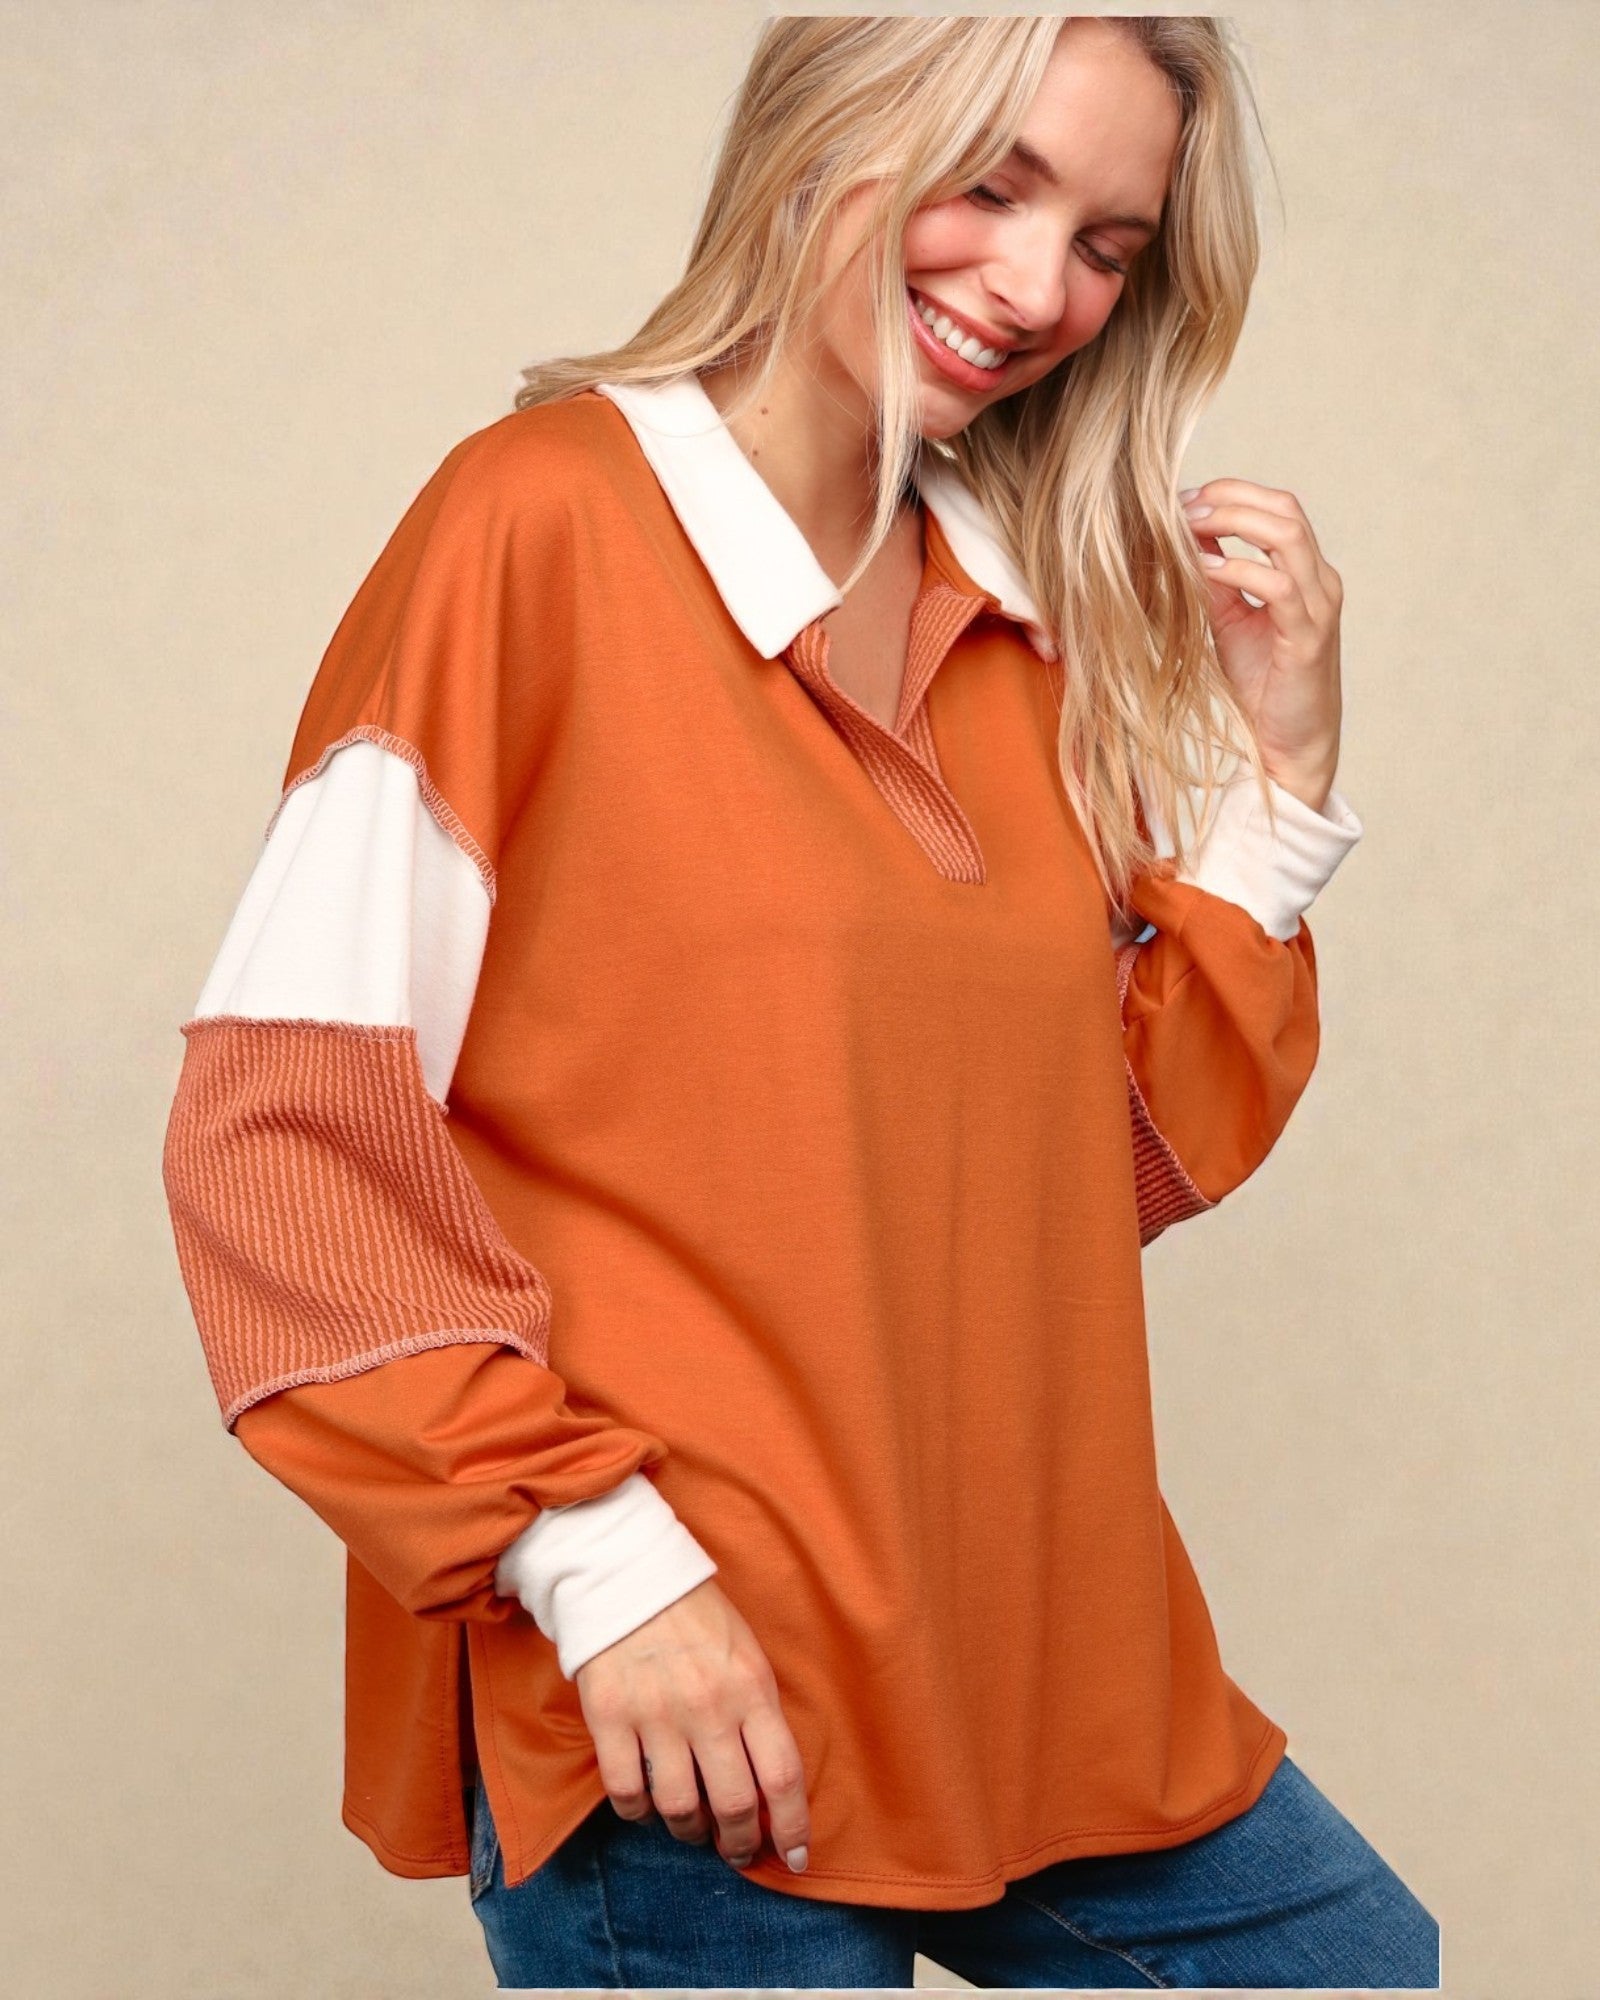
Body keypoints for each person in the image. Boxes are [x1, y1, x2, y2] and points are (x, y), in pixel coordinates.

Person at [161, 13, 1442, 1989]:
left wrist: (1274, 788)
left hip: (1020, 1651)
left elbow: (1075, 1167)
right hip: (696, 1688)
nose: (1037, 291)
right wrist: (594, 1568)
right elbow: (284, 1137)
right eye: (991, 184)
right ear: (822, 138)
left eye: (1109, 241)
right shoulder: (537, 526)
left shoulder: (1007, 623)